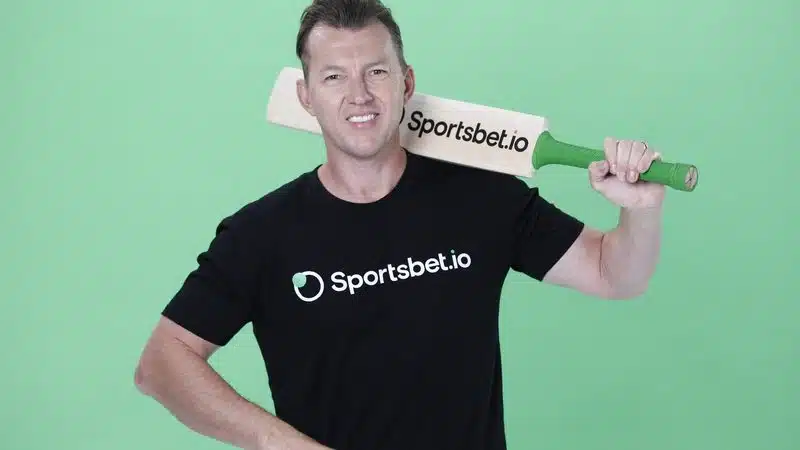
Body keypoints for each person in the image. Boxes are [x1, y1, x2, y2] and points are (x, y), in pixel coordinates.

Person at [133, 0, 666, 449]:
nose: (359, 94)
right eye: (334, 76)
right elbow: (160, 364)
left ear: (406, 83)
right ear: (305, 96)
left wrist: (640, 208)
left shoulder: (482, 197)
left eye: (377, 71)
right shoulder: (261, 235)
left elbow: (613, 273)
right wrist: (283, 444)